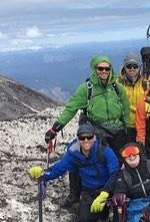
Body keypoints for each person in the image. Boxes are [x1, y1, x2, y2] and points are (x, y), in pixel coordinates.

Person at [44, 56, 130, 208]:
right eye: (100, 68)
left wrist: (128, 129)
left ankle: (117, 195)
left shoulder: (117, 88)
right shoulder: (87, 89)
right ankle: (75, 194)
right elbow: (71, 107)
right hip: (96, 129)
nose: (104, 71)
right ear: (94, 69)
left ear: (111, 70)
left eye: (107, 68)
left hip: (117, 130)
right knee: (81, 158)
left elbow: (126, 110)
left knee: (119, 163)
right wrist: (56, 128)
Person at [30, 124, 120, 222]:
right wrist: (43, 174)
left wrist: (105, 193)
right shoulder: (73, 154)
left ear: (94, 137)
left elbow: (115, 173)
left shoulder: (105, 151)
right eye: (82, 138)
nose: (86, 140)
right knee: (83, 220)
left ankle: (111, 221)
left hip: (108, 189)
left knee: (118, 199)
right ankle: (102, 212)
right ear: (78, 139)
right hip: (90, 191)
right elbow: (59, 169)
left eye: (89, 137)